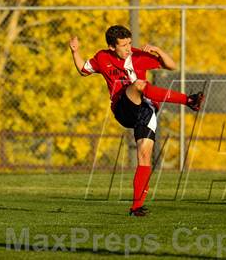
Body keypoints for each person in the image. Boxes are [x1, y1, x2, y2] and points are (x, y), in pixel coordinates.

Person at [69, 25, 204, 217]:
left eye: (129, 43)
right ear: (111, 47)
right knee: (139, 84)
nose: (128, 48)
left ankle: (136, 207)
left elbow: (171, 65)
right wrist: (75, 52)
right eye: (123, 45)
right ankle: (188, 100)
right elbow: (83, 69)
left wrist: (158, 50)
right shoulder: (102, 57)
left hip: (146, 111)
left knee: (144, 154)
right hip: (123, 108)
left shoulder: (139, 56)